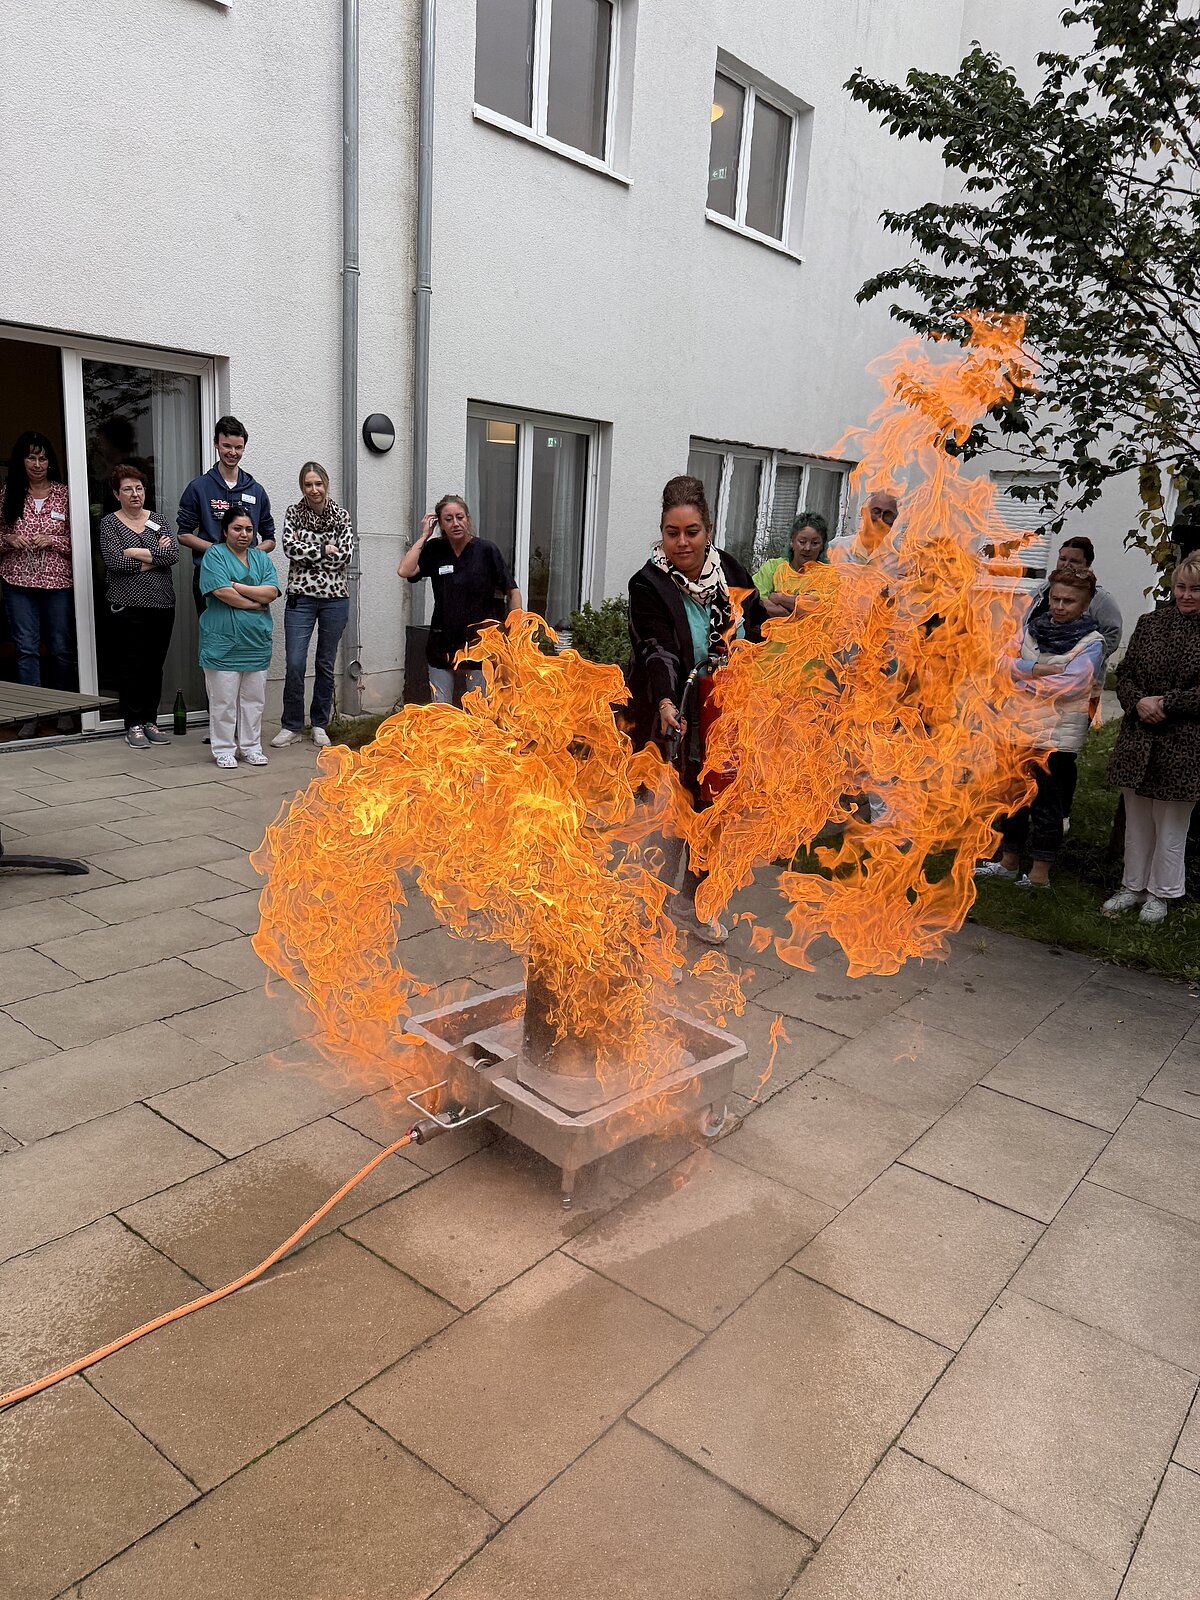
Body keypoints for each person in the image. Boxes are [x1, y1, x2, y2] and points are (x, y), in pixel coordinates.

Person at [627, 474, 768, 942]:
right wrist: (668, 700)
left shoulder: (731, 573)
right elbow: (656, 649)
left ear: (707, 529)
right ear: (661, 532)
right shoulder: (647, 584)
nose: (682, 543)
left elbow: (759, 630)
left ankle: (695, 905)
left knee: (713, 817)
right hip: (675, 719)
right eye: (672, 533)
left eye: (692, 532)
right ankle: (654, 911)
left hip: (728, 719)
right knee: (670, 817)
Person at [975, 567, 1104, 888]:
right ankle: (1008, 861)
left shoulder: (1092, 642)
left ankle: (1039, 875)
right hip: (1017, 730)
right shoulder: (1031, 630)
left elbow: (1073, 684)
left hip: (1055, 739)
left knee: (1047, 807)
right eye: (1056, 598)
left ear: (1085, 604)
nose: (1060, 606)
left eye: (1069, 601)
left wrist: (1024, 680)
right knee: (1013, 801)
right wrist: (1037, 668)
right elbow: (1000, 664)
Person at [1102, 552, 1200, 923]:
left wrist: (1169, 704)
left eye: (1196, 589)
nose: (1186, 595)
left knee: (1171, 824)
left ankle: (1162, 893)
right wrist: (1138, 701)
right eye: (1181, 587)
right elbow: (1124, 674)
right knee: (1137, 819)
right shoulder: (1151, 623)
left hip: (1185, 743)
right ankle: (1132, 886)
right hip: (1139, 738)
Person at [398, 493, 521, 704]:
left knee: (479, 711)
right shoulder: (435, 549)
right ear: (441, 524)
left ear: (468, 519)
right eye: (448, 519)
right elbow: (405, 570)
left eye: (460, 517)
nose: (455, 523)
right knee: (441, 710)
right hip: (442, 642)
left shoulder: (486, 550)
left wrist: (516, 630)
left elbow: (513, 591)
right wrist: (424, 536)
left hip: (480, 643)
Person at [271, 461, 353, 749]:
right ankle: (291, 725)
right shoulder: (293, 512)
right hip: (301, 598)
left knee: (325, 664)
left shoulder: (341, 515)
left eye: (318, 483)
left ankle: (319, 724)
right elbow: (289, 548)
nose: (314, 489)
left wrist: (309, 550)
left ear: (326, 484)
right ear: (302, 487)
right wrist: (323, 548)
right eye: (308, 484)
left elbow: (344, 556)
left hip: (334, 599)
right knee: (294, 663)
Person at [0, 431, 77, 736]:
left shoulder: (65, 494)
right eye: (31, 457)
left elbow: (81, 541)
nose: (37, 463)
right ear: (22, 460)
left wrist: (55, 541)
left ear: (50, 460)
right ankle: (31, 714)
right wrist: (8, 540)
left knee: (61, 648)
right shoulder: (9, 494)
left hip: (57, 582)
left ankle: (66, 711)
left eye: (43, 457)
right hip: (17, 581)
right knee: (26, 649)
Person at [98, 464, 178, 749]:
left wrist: (134, 553)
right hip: (127, 606)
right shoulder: (110, 523)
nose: (135, 494)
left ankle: (150, 720)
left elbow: (173, 555)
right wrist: (155, 556)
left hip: (161, 603)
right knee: (132, 665)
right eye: (128, 489)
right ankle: (132, 723)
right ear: (117, 494)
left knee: (154, 666)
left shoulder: (158, 519)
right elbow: (115, 562)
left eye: (139, 488)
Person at [198, 505, 281, 769]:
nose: (243, 534)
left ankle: (251, 747)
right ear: (225, 531)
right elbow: (220, 591)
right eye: (237, 528)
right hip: (222, 641)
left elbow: (271, 592)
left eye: (248, 529)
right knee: (223, 701)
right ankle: (223, 749)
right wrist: (252, 603)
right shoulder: (215, 555)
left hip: (255, 642)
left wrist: (237, 586)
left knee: (254, 701)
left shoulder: (261, 558)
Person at [177, 415, 275, 615]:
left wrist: (251, 553)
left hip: (249, 577)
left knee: (249, 636)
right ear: (216, 444)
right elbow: (183, 534)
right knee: (215, 636)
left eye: (238, 447)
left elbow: (270, 539)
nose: (232, 452)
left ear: (244, 448)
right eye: (226, 446)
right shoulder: (199, 487)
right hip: (212, 574)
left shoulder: (256, 490)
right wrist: (219, 551)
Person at [1028, 535, 1123, 659]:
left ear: (1087, 564)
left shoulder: (1101, 599)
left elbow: (1112, 634)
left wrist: (1088, 659)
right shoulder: (1038, 592)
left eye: (1074, 561)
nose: (1066, 565)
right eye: (1063, 559)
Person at [752, 511, 837, 617]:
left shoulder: (827, 575)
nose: (807, 548)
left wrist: (779, 598)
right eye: (802, 542)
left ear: (822, 546)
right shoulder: (772, 567)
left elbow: (815, 607)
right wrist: (788, 612)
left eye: (815, 543)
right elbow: (755, 600)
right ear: (792, 542)